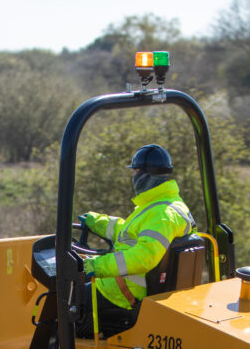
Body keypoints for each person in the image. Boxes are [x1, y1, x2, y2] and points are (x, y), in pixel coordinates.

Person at [74, 144, 195, 338]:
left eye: (135, 171)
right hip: (124, 288)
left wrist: (96, 266)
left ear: (147, 174)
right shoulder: (162, 205)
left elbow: (144, 257)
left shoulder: (161, 214)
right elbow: (128, 234)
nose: (133, 177)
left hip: (123, 296)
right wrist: (95, 221)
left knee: (63, 305)